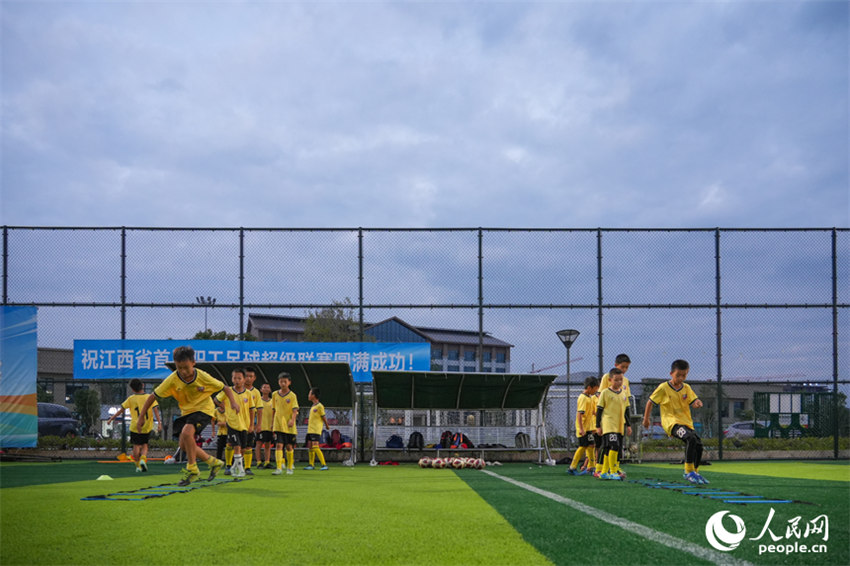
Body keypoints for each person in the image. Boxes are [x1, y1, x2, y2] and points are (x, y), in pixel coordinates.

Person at [136, 345, 238, 486]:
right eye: (179, 368)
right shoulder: (172, 379)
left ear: (193, 363)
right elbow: (153, 396)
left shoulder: (202, 376)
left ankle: (192, 469)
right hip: (187, 412)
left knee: (187, 432)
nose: (183, 371)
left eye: (186, 367)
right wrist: (141, 416)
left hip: (204, 409)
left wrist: (233, 403)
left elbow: (225, 388)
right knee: (184, 445)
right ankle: (213, 462)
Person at [642, 359, 708, 484]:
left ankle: (695, 472)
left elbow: (694, 401)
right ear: (671, 373)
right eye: (678, 375)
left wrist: (698, 403)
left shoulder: (687, 388)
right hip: (671, 423)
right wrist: (646, 419)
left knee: (699, 445)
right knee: (690, 439)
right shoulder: (664, 388)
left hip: (686, 422)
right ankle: (688, 472)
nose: (681, 378)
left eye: (684, 375)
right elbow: (650, 402)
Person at [106, 378, 161, 472]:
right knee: (144, 445)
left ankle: (137, 465)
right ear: (143, 385)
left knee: (136, 445)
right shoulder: (149, 397)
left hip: (135, 426)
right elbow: (155, 410)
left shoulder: (131, 399)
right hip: (147, 425)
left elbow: (121, 410)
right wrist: (159, 423)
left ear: (132, 389)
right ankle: (143, 459)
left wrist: (111, 418)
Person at [216, 368, 255, 478]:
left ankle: (233, 467)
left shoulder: (248, 393)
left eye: (239, 378)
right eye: (235, 378)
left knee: (242, 449)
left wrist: (252, 424)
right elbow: (217, 400)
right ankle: (240, 470)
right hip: (232, 423)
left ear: (244, 380)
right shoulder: (228, 391)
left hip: (245, 425)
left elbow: (252, 410)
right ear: (232, 379)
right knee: (236, 446)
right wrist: (225, 407)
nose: (237, 380)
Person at [596, 354, 632, 473]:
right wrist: (598, 420)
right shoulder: (608, 377)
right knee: (607, 445)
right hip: (608, 418)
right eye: (623, 366)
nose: (624, 370)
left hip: (619, 420)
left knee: (617, 445)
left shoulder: (625, 381)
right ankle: (600, 468)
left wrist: (628, 423)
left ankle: (614, 466)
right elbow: (601, 395)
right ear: (616, 365)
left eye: (627, 367)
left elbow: (626, 402)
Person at [567, 376, 599, 476]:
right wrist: (581, 428)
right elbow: (579, 414)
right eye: (595, 389)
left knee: (591, 445)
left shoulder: (589, 398)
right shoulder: (583, 398)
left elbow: (590, 411)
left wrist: (597, 413)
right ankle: (572, 467)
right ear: (589, 388)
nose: (596, 391)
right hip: (583, 428)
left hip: (588, 427)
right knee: (583, 446)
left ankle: (591, 467)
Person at [271, 372, 299, 476]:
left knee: (289, 446)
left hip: (288, 425)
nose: (283, 383)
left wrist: (292, 420)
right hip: (278, 424)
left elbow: (295, 409)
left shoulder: (292, 395)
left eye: (285, 381)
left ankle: (290, 467)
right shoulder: (274, 394)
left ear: (289, 382)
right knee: (278, 445)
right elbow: (273, 409)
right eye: (281, 381)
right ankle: (278, 468)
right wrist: (272, 423)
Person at [242, 367, 263, 476]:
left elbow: (259, 409)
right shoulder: (236, 390)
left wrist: (258, 424)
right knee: (236, 446)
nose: (248, 379)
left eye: (251, 376)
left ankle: (247, 467)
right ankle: (232, 466)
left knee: (249, 445)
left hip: (250, 424)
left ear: (254, 378)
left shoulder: (256, 392)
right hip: (237, 423)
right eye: (246, 376)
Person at [304, 387, 330, 471]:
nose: (308, 395)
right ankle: (311, 464)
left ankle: (324, 464)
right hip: (310, 430)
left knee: (315, 446)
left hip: (316, 430)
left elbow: (323, 416)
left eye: (309, 393)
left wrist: (326, 425)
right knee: (310, 447)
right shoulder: (313, 406)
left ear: (313, 395)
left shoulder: (319, 406)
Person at [256, 383, 275, 469]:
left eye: (268, 387)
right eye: (264, 387)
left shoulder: (272, 401)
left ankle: (267, 462)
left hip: (269, 426)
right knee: (259, 444)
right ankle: (259, 462)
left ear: (270, 390)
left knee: (268, 444)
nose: (266, 389)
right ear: (261, 390)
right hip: (261, 426)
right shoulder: (258, 400)